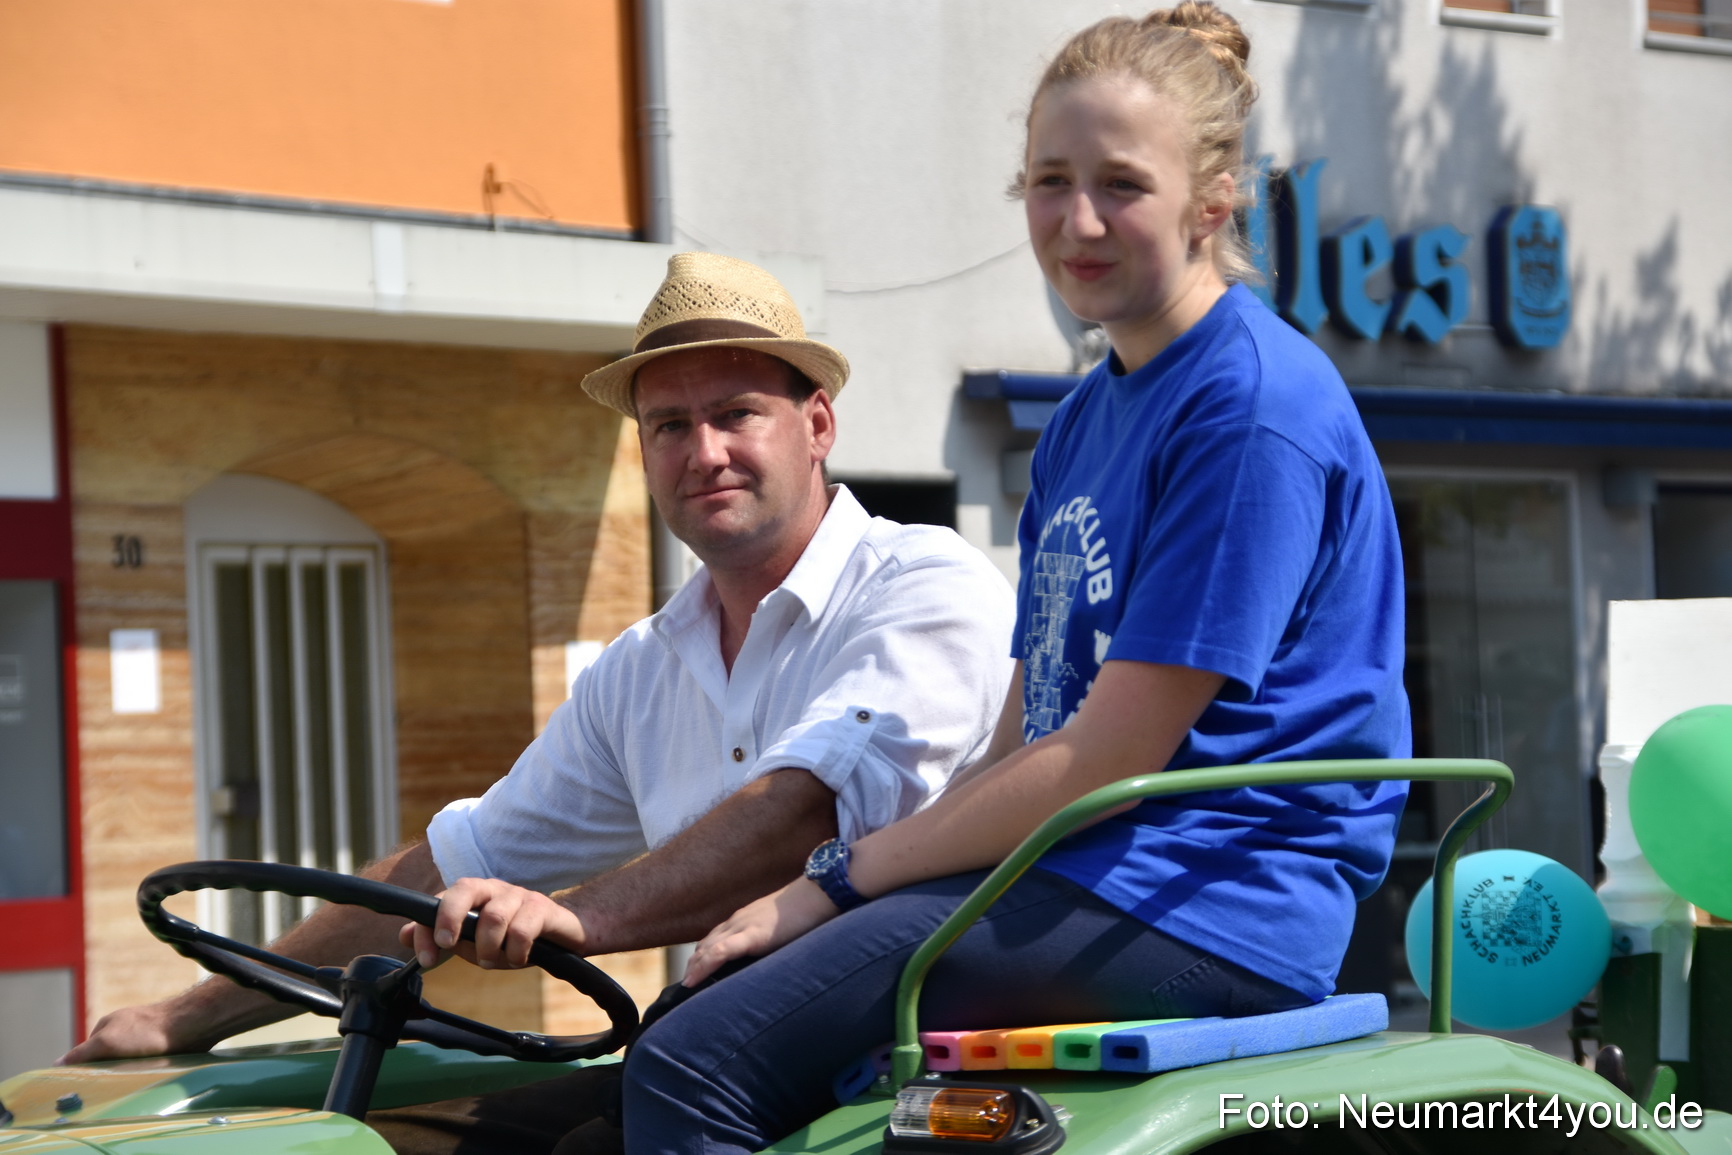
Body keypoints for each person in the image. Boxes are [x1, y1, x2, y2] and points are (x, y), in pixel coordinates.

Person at [597, 6, 1412, 1152]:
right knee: (687, 1029)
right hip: (1099, 872)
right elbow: (1029, 727)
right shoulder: (1084, 420)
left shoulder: (1252, 409)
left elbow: (1108, 754)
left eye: (1121, 185)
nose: (1076, 222)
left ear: (1214, 197)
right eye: (1047, 181)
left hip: (1209, 898)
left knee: (695, 1064)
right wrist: (861, 891)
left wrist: (828, 882)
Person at [61, 252, 1017, 1152]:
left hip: (901, 1053)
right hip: (708, 1048)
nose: (706, 451)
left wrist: (577, 918)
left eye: (737, 413)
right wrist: (182, 1016)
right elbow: (457, 858)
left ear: (817, 425)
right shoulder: (641, 668)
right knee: (386, 1139)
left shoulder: (923, 584)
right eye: (671, 426)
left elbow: (799, 812)